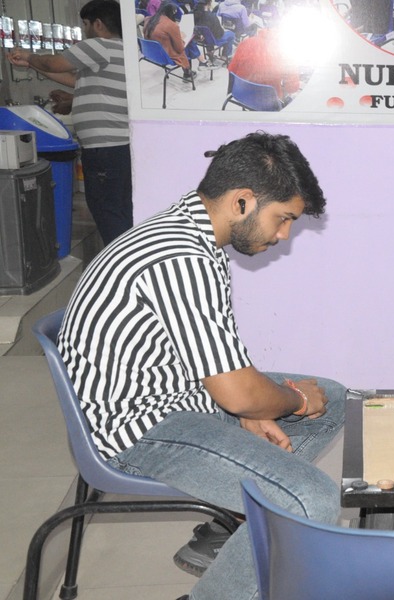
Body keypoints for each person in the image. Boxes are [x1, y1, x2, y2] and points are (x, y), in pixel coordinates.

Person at [58, 132, 346, 600]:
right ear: (242, 201)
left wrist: (253, 407)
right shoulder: (180, 256)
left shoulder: (191, 235)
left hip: (177, 396)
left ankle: (237, 525)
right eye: (283, 218)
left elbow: (220, 362)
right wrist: (278, 401)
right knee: (309, 498)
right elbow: (237, 391)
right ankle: (254, 530)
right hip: (138, 429)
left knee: (330, 398)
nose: (284, 235)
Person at [6, 0, 132, 246]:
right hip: (118, 147)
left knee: (106, 209)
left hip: (105, 148)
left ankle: (122, 260)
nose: (85, 30)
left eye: (85, 24)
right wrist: (32, 64)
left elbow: (53, 63)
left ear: (98, 24)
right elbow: (73, 80)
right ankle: (128, 255)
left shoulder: (99, 45)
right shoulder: (121, 52)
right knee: (118, 207)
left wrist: (29, 55)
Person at [228, 28, 300, 105]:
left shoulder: (245, 43)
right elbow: (292, 88)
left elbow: (231, 70)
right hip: (268, 102)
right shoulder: (285, 52)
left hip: (241, 94)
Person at [144, 3, 201, 81]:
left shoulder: (148, 19)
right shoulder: (171, 25)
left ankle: (200, 62)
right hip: (166, 56)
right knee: (189, 43)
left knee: (189, 44)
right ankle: (188, 72)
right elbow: (180, 48)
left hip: (152, 53)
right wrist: (181, 37)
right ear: (171, 12)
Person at [193, 0, 236, 64]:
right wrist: (223, 29)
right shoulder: (212, 16)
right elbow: (220, 34)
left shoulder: (195, 15)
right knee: (231, 35)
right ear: (209, 3)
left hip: (202, 39)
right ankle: (225, 55)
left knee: (208, 34)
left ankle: (210, 51)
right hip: (214, 39)